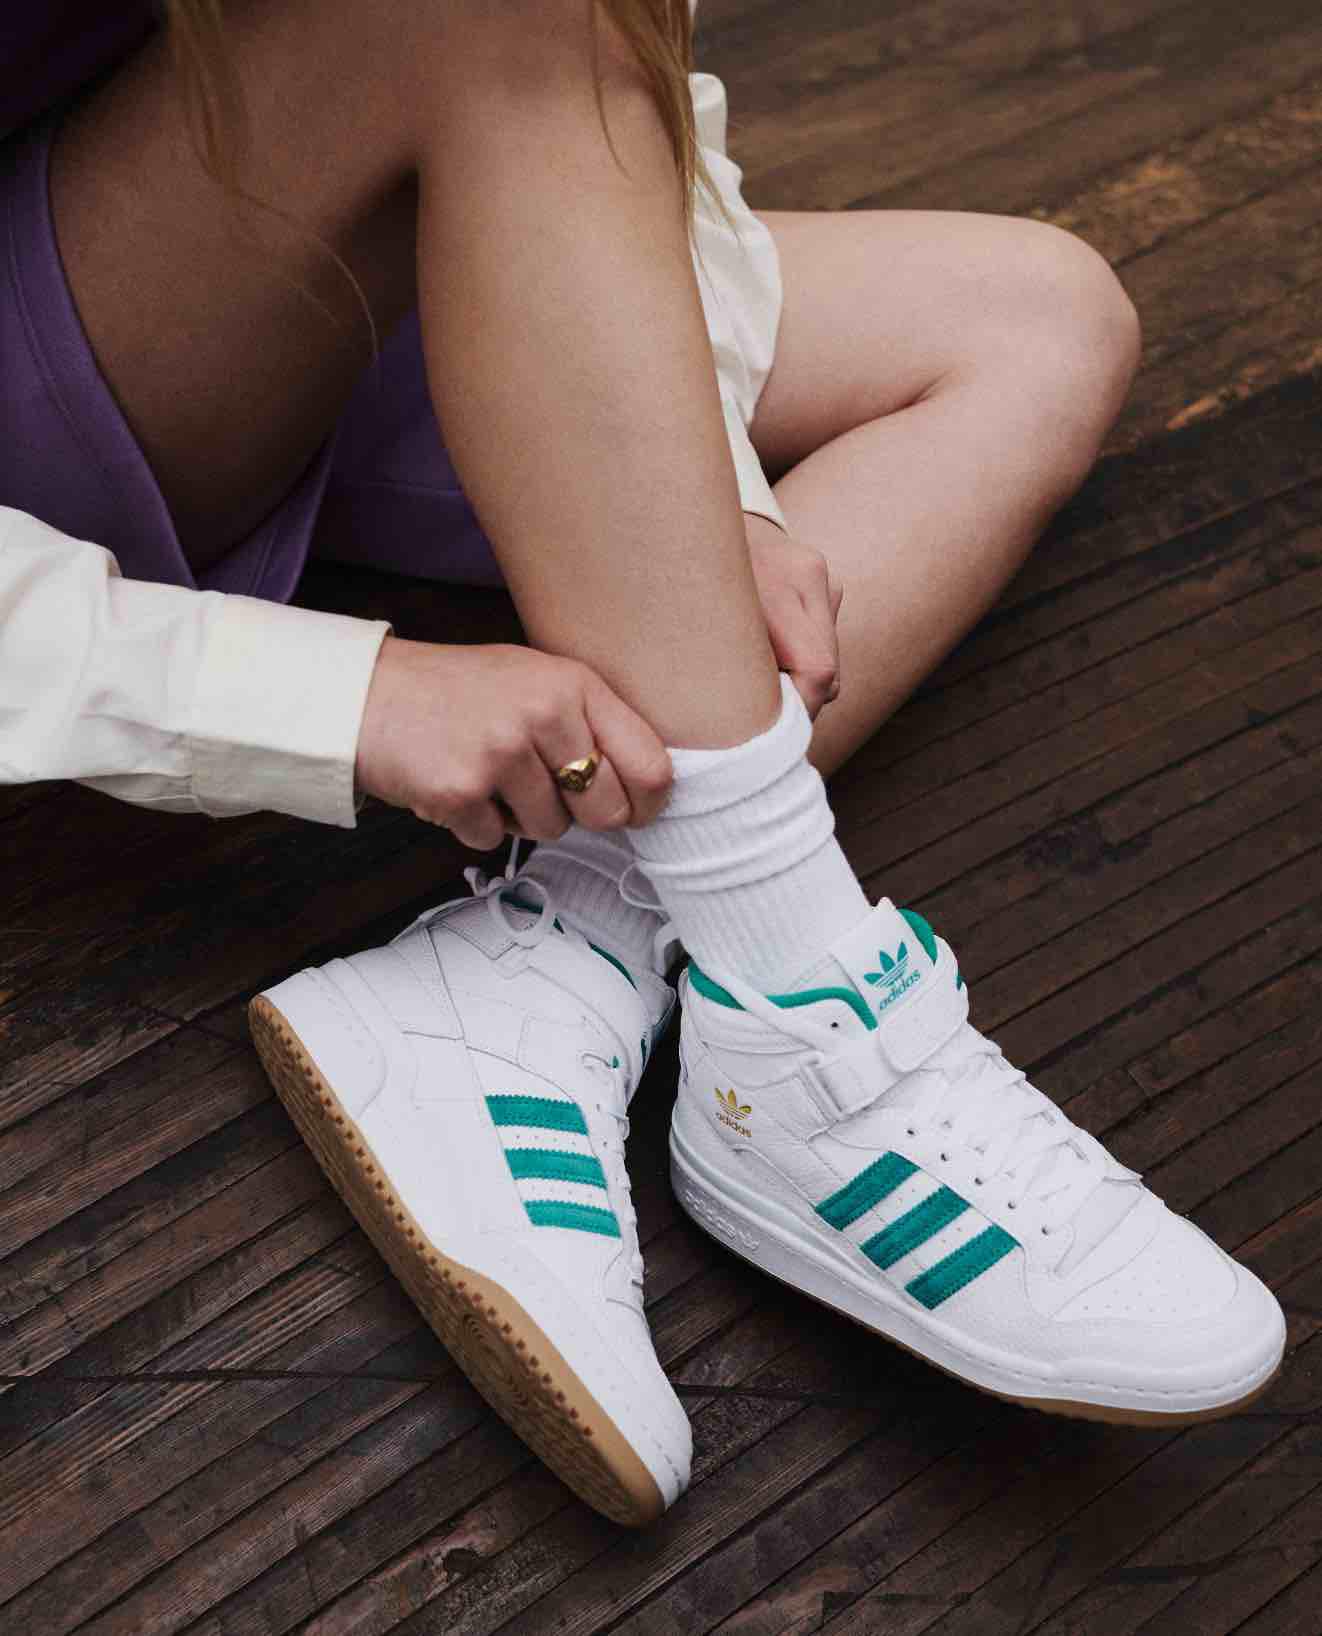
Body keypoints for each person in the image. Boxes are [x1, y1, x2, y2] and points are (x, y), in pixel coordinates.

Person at [0, 0, 1284, 1528]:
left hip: (299, 259)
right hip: (61, 396)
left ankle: (544, 961)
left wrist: (696, 490)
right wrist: (318, 694)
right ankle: (800, 1009)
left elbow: (605, 79)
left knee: (1034, 313)